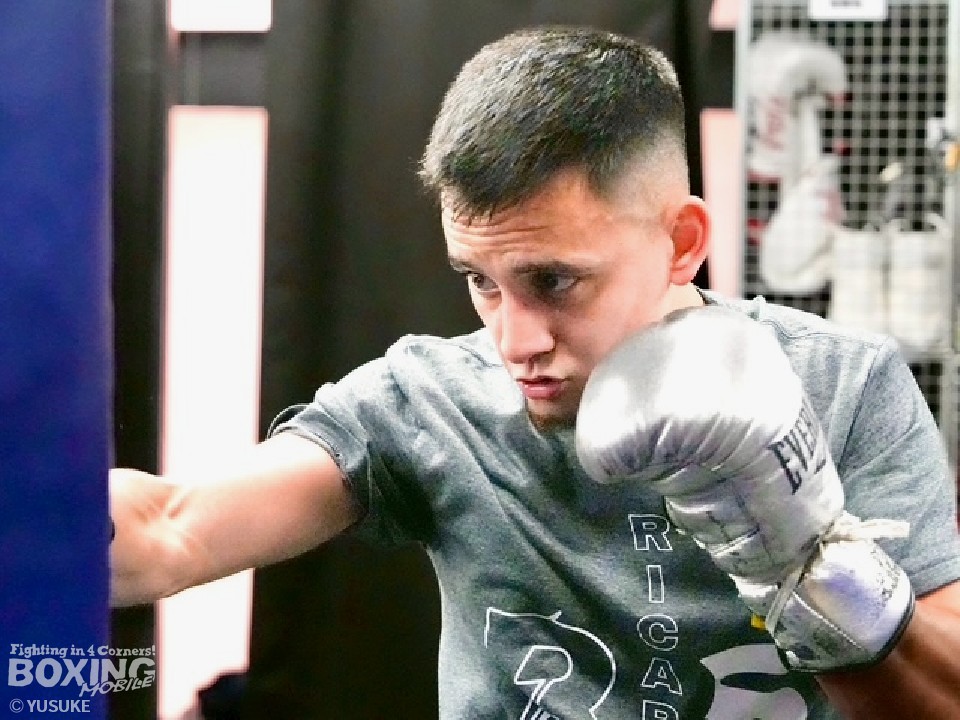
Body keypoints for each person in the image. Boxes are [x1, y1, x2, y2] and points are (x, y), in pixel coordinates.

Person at [110, 26, 960, 718]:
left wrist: (806, 561)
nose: (514, 341)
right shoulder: (433, 402)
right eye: (481, 282)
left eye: (554, 281)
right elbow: (173, 530)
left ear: (682, 242)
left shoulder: (844, 387)